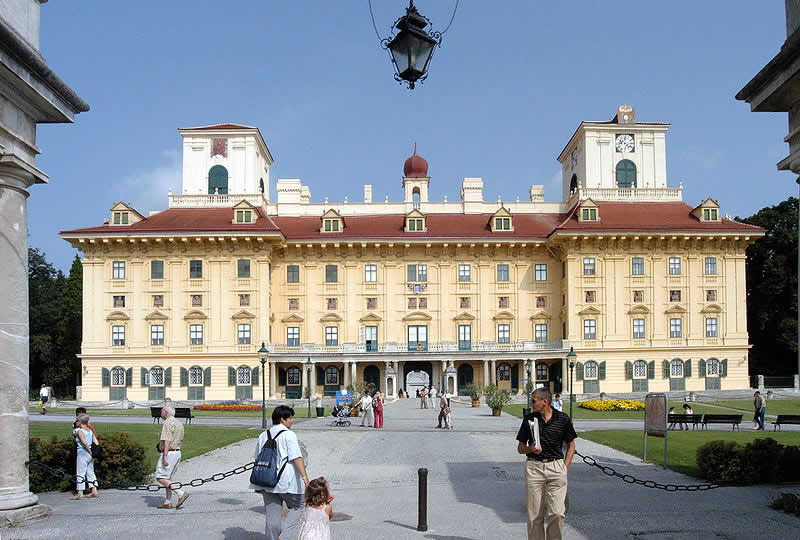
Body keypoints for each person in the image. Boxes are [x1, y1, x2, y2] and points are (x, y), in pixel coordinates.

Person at [516, 388, 576, 540]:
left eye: (534, 400)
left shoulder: (563, 419)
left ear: (545, 402)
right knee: (534, 516)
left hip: (556, 467)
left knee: (557, 513)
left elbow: (571, 445)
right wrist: (531, 448)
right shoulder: (529, 419)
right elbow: (520, 448)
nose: (531, 403)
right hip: (534, 468)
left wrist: (564, 467)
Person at [252, 405, 309, 540]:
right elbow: (296, 457)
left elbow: (256, 458)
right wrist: (305, 478)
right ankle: (284, 536)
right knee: (298, 505)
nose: (292, 421)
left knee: (272, 516)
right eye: (290, 418)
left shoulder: (263, 435)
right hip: (286, 482)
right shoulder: (289, 435)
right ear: (282, 419)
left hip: (266, 481)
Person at [155, 404, 190, 509]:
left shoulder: (167, 422)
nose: (161, 413)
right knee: (168, 478)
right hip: (177, 452)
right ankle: (167, 502)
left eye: (161, 411)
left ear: (165, 412)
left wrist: (165, 455)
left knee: (160, 477)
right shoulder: (178, 423)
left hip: (169, 452)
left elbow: (167, 439)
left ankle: (180, 493)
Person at [70, 414, 98, 500]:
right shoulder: (90, 431)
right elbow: (96, 442)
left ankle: (80, 493)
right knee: (90, 471)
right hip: (90, 454)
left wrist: (89, 451)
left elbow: (84, 442)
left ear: (80, 422)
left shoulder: (80, 431)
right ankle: (94, 490)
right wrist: (94, 452)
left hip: (83, 453)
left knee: (80, 472)